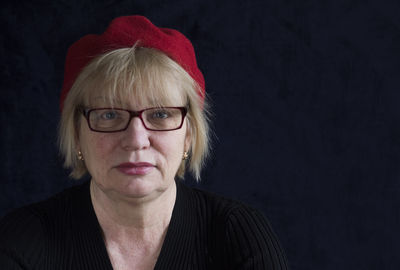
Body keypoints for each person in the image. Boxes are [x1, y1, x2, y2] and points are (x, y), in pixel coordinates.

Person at [0, 15, 289, 269]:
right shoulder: (22, 240)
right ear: (77, 134)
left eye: (161, 114)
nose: (136, 140)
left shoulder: (237, 234)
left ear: (188, 136)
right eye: (109, 114)